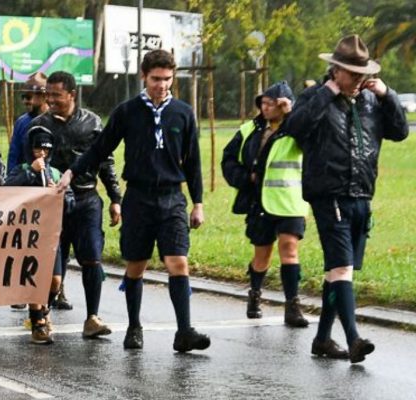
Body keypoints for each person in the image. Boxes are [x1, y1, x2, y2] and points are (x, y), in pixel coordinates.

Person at [62, 49, 209, 353]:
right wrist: (72, 172)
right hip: (139, 198)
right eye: (156, 79)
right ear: (144, 76)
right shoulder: (127, 111)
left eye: (167, 79)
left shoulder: (183, 112)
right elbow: (100, 148)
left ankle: (184, 331)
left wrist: (198, 202)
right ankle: (134, 326)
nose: (162, 85)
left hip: (172, 197)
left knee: (178, 261)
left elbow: (193, 161)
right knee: (136, 266)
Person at [285, 35, 408, 363]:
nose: (358, 80)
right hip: (329, 194)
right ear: (336, 70)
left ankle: (323, 339)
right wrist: (326, 95)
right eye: (353, 74)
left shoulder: (371, 100)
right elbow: (295, 128)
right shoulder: (315, 96)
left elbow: (400, 132)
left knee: (338, 271)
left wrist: (387, 95)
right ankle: (354, 339)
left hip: (362, 193)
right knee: (342, 268)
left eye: (363, 74)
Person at [29, 71, 122, 332]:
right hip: (51, 204)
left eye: (56, 95)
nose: (50, 100)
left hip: (86, 199)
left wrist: (115, 198)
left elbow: (106, 162)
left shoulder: (92, 123)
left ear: (72, 95)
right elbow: (27, 163)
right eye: (48, 94)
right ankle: (41, 315)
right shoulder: (39, 125)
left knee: (92, 257)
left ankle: (92, 317)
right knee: (51, 265)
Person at [221, 81, 310, 327]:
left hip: (291, 201)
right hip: (259, 201)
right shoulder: (250, 129)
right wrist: (245, 178)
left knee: (289, 248)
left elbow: (310, 143)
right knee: (262, 255)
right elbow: (228, 159)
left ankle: (292, 305)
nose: (266, 107)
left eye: (273, 103)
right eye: (264, 103)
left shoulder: (296, 128)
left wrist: (292, 114)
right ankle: (255, 293)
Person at [4, 131, 66, 344]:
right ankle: (37, 320)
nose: (42, 153)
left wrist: (59, 194)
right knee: (34, 277)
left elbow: (71, 201)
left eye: (46, 149)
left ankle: (44, 308)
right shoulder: (21, 170)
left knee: (55, 280)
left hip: (51, 234)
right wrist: (30, 173)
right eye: (38, 148)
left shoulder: (55, 173)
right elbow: (6, 190)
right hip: (28, 234)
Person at [8, 72, 48, 167]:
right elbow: (14, 158)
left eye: (28, 97)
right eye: (23, 97)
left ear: (44, 96)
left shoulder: (56, 121)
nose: (25, 101)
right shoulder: (21, 122)